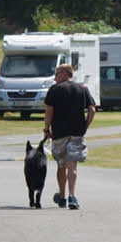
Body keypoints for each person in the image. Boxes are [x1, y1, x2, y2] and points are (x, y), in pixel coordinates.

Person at [43, 63, 95, 210]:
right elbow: (92, 110)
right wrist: (85, 126)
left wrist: (46, 129)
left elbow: (49, 111)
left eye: (57, 74)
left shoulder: (54, 89)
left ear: (65, 73)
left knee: (61, 165)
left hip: (59, 132)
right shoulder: (82, 88)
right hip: (77, 132)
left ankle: (62, 196)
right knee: (72, 165)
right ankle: (72, 195)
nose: (55, 78)